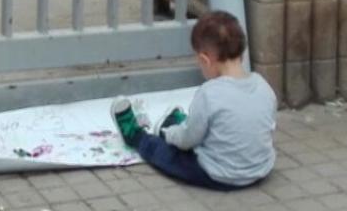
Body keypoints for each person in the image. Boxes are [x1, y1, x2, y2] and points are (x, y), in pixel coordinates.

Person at [110, 11, 276, 190]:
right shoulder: (263, 86)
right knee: (208, 125)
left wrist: (170, 137)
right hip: (260, 169)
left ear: (205, 60)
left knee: (167, 154)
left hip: (219, 175)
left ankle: (136, 136)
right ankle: (176, 123)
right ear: (242, 54)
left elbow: (187, 141)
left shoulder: (209, 93)